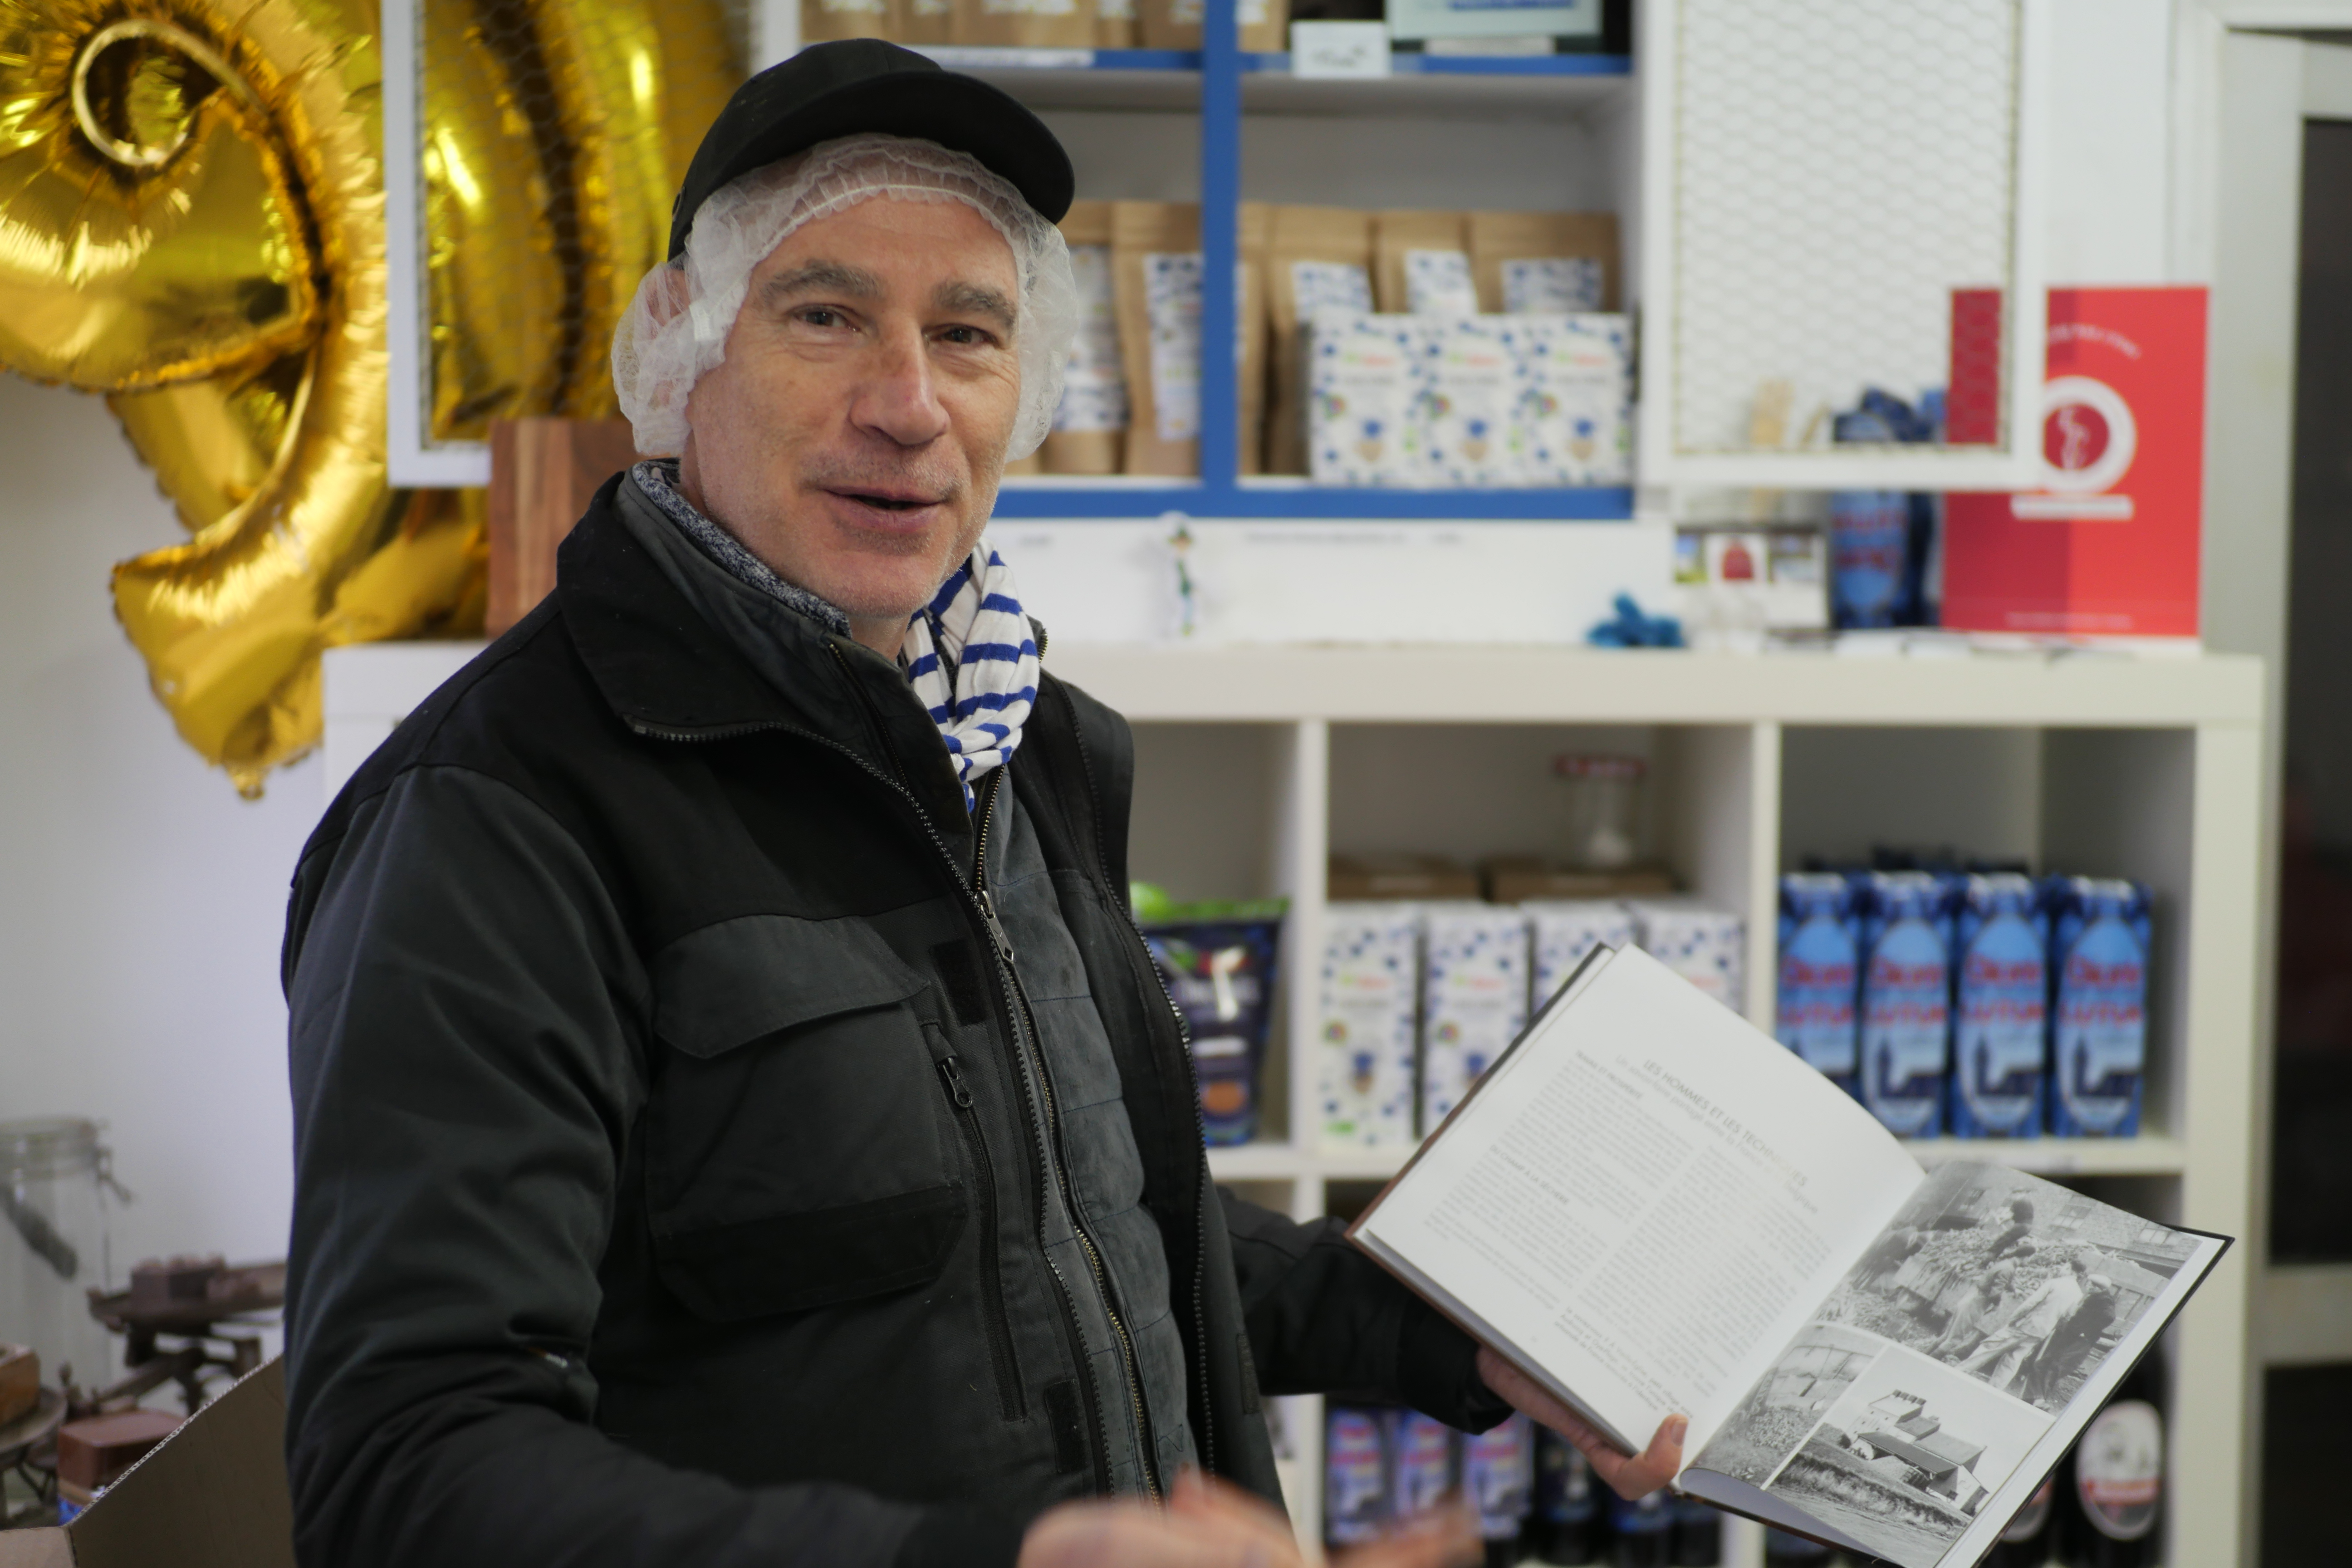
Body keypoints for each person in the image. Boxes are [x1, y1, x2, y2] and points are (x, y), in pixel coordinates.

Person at [278, 40, 1684, 1568]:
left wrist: (1450, 1327)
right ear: (679, 360)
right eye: (826, 315)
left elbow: (1079, 1221)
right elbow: (406, 1468)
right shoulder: (493, 814)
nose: (908, 403)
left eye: (967, 333)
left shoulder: (1025, 741)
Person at [1958, 1254, 2091, 1393]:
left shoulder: (2054, 1283)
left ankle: (1961, 1370)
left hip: (2026, 1325)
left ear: (2070, 1268)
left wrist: (2014, 1319)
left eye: (2065, 1266)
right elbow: (2067, 1316)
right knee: (2013, 1359)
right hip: (2042, 1331)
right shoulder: (2078, 1293)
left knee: (1990, 1347)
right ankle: (1995, 1389)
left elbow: (2030, 1304)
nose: (2062, 1269)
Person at [2016, 1272, 2120, 1408]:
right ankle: (2037, 1400)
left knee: (2055, 1368)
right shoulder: (2095, 1297)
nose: (2087, 1286)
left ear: (2097, 1288)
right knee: (2041, 1365)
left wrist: (2086, 1332)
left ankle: (2038, 1401)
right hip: (2071, 1338)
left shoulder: (2104, 1299)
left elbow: (2109, 1317)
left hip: (2081, 1342)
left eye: (2090, 1284)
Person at [1927, 1260, 2014, 1363]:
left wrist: (2012, 1288)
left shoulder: (2004, 1264)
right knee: (1954, 1339)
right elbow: (1995, 1293)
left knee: (1948, 1335)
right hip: (1976, 1303)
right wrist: (1997, 1305)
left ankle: (1923, 1355)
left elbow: (2000, 1280)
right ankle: (1928, 1362)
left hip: (1970, 1298)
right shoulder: (2008, 1269)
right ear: (2026, 1257)